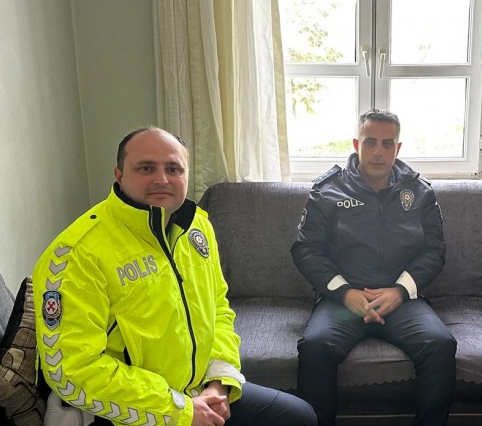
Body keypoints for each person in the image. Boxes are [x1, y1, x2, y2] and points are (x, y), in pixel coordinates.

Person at [32, 127, 316, 426]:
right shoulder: (76, 253)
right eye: (146, 168)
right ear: (119, 175)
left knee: (298, 417)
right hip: (129, 411)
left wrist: (219, 383)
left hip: (198, 391)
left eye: (173, 169)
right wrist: (179, 411)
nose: (162, 179)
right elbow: (72, 371)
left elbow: (218, 310)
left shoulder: (197, 228)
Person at [291, 109, 456, 426]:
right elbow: (305, 249)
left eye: (387, 143)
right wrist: (345, 293)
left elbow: (434, 250)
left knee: (440, 345)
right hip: (342, 301)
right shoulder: (328, 190)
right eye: (370, 142)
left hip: (402, 300)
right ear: (357, 144)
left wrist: (400, 291)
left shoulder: (419, 192)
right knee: (315, 347)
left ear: (397, 148)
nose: (378, 151)